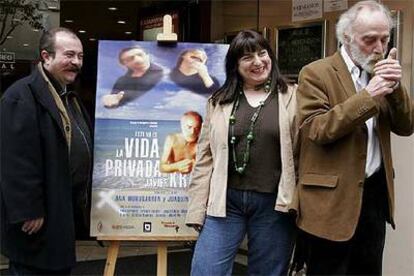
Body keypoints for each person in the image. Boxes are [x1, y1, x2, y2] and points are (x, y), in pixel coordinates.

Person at [293, 1, 414, 275]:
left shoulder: (381, 70)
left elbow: (406, 126)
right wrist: (369, 96)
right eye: (369, 39)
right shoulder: (316, 73)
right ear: (346, 37)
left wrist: (395, 89)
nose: (379, 48)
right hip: (330, 202)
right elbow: (317, 129)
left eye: (384, 39)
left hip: (373, 197)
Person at [185, 30, 298, 275]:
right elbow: (204, 158)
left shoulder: (293, 96)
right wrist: (196, 209)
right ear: (235, 65)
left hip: (274, 204)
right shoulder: (219, 100)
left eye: (262, 53)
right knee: (205, 270)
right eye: (247, 57)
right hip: (225, 203)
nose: (257, 62)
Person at [0, 27, 93, 275]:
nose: (76, 62)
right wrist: (28, 210)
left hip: (60, 217)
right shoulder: (21, 97)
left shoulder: (67, 96)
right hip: (36, 224)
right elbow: (15, 160)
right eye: (69, 55)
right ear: (46, 56)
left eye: (80, 56)